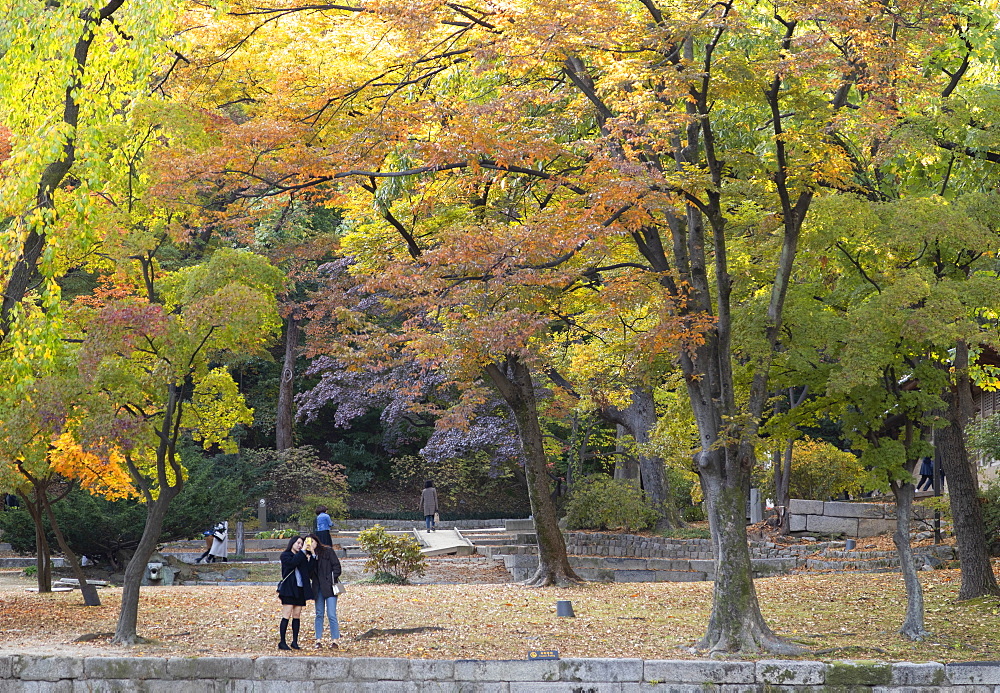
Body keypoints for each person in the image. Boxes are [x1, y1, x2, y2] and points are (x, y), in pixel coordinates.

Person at [276, 535, 316, 650]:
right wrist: (303, 551)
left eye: (301, 543)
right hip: (289, 589)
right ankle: (282, 641)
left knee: (297, 615)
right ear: (292, 543)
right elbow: (293, 563)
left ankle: (295, 641)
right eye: (298, 543)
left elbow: (308, 571)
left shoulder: (302, 556)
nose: (300, 545)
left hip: (300, 589)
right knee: (286, 614)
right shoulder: (285, 555)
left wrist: (312, 554)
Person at [308, 532, 343, 649]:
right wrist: (311, 556)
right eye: (307, 542)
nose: (310, 544)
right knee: (319, 614)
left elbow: (337, 567)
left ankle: (335, 640)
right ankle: (318, 639)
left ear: (316, 541)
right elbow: (309, 573)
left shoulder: (328, 551)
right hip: (317, 588)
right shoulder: (308, 556)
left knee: (331, 614)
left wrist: (330, 578)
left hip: (330, 586)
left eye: (311, 541)